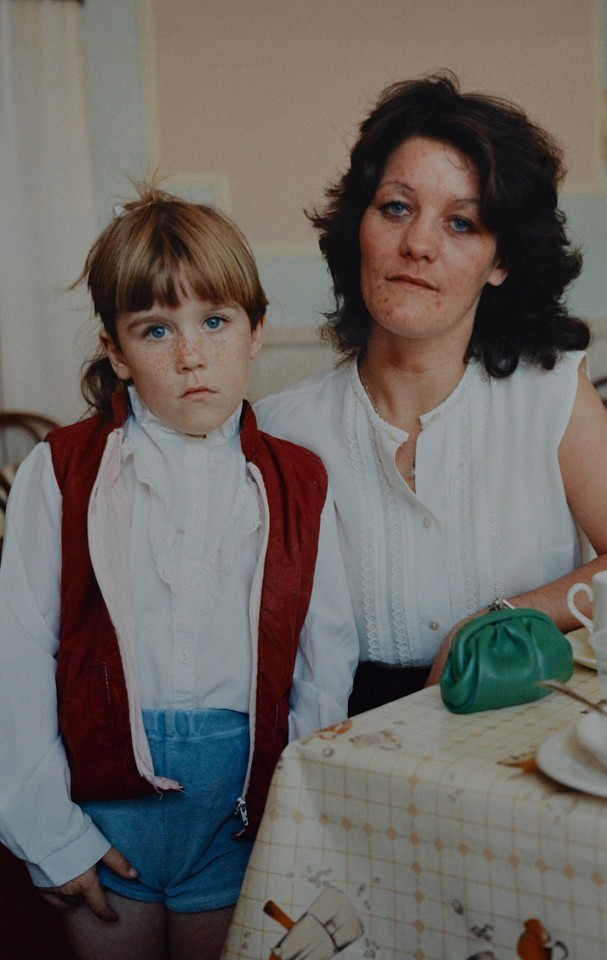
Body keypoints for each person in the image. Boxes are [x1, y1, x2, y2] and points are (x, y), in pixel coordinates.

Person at [0, 184, 358, 960]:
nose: (191, 354)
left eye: (215, 321)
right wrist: (51, 836)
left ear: (256, 331)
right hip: (99, 811)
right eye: (156, 329)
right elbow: (18, 651)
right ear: (116, 349)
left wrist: (293, 820)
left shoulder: (299, 481)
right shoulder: (60, 472)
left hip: (236, 815)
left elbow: (322, 661)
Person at [256, 72, 607, 715]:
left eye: (461, 223)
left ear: (501, 261)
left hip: (523, 722)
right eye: (396, 207)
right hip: (340, 737)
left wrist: (493, 621)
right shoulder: (282, 429)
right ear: (358, 227)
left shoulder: (550, 393)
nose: (418, 244)